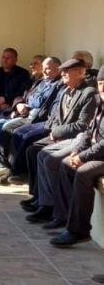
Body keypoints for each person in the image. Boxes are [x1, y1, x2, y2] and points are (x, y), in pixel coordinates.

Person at [23, 58, 98, 224]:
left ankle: (57, 209)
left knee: (50, 160)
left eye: (67, 71)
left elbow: (83, 125)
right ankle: (45, 203)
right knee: (36, 152)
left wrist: (56, 132)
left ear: (80, 72)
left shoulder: (89, 93)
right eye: (62, 70)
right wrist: (54, 131)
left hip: (77, 138)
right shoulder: (65, 91)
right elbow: (56, 117)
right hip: (62, 136)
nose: (62, 73)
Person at [48, 66, 104, 246]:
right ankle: (65, 219)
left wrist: (83, 157)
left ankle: (79, 231)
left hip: (101, 155)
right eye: (100, 83)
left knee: (83, 172)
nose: (102, 88)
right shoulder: (100, 104)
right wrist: (76, 151)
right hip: (96, 152)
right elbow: (88, 133)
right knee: (66, 164)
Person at [0, 57, 62, 182]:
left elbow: (39, 102)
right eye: (44, 68)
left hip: (38, 118)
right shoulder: (41, 82)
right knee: (3, 126)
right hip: (26, 113)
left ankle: (14, 170)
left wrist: (30, 103)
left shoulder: (58, 85)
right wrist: (19, 105)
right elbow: (27, 96)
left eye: (47, 68)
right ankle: (1, 162)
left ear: (58, 70)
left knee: (17, 132)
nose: (44, 71)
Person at [0, 48, 32, 168]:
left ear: (15, 60)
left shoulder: (23, 74)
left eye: (8, 58)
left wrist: (6, 100)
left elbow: (23, 93)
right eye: (3, 57)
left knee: (0, 124)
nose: (5, 60)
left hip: (11, 107)